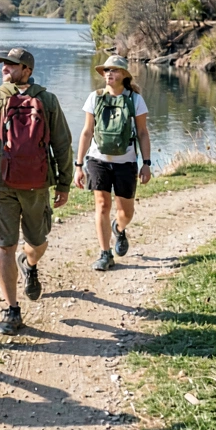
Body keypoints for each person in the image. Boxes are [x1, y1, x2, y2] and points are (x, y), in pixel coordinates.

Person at [0, 47, 73, 335]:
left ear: (27, 70)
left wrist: (65, 183)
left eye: (12, 65)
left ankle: (29, 262)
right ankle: (12, 309)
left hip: (37, 183)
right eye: (4, 64)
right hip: (1, 184)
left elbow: (62, 144)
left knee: (38, 242)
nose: (5, 68)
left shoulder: (48, 100)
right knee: (4, 244)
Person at [74, 55, 152, 271]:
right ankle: (105, 253)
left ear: (124, 75)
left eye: (114, 70)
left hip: (126, 162)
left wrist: (146, 163)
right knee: (102, 205)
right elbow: (87, 132)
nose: (109, 73)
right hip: (97, 160)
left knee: (126, 212)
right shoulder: (95, 97)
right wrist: (78, 165)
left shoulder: (135, 99)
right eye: (107, 70)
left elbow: (143, 133)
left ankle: (119, 228)